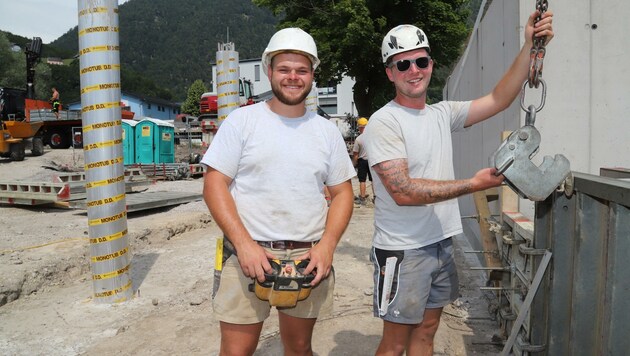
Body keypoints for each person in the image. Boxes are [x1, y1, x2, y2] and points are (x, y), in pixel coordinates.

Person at [363, 10, 554, 356]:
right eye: (402, 65)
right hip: (402, 251)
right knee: (394, 344)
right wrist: (474, 183)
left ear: (431, 64)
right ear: (390, 73)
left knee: (427, 330)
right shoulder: (384, 122)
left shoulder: (441, 114)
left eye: (420, 61)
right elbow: (403, 192)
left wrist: (529, 45)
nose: (414, 71)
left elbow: (499, 98)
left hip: (439, 243)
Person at [201, 27, 355, 356]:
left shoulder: (326, 132)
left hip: (306, 259)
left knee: (299, 348)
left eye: (301, 70)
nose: (292, 77)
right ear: (269, 71)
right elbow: (214, 184)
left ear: (312, 74)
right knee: (235, 351)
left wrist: (327, 247)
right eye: (284, 69)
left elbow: (343, 194)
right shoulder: (242, 122)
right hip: (246, 255)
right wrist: (244, 245)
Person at [352, 117, 374, 205]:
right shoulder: (373, 137)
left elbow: (355, 154)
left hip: (362, 161)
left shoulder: (359, 139)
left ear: (360, 127)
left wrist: (354, 163)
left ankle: (362, 197)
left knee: (362, 180)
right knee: (373, 180)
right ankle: (376, 197)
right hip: (372, 160)